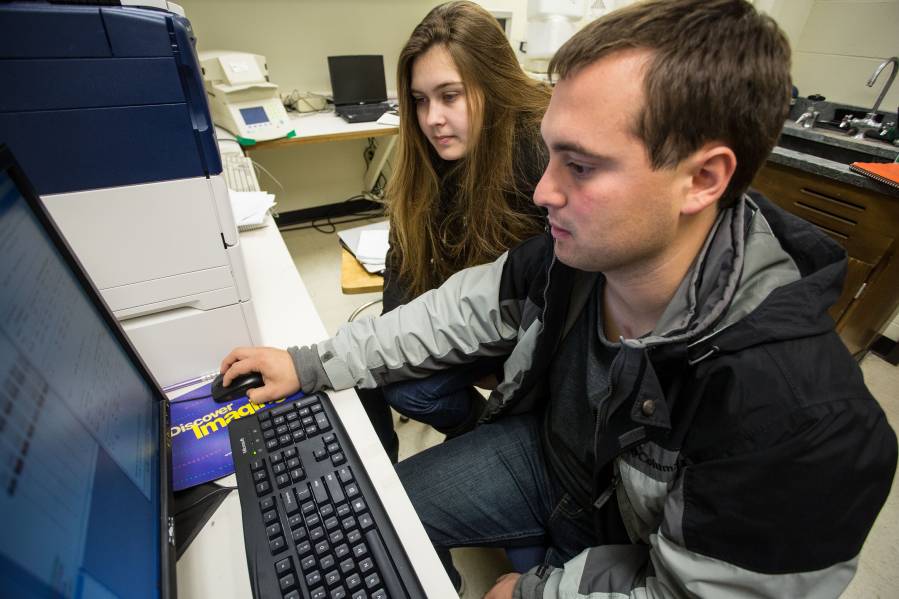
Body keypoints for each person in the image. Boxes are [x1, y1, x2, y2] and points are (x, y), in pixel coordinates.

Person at [220, 1, 898, 597]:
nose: (542, 191)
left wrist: (535, 591)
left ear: (702, 179)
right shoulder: (583, 253)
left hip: (636, 540)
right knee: (370, 521)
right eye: (548, 157)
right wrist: (311, 361)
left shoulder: (804, 423)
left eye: (578, 165)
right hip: (549, 459)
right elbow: (458, 308)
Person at [357, 0, 551, 462]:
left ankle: (494, 440)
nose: (431, 120)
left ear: (492, 83)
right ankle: (476, 434)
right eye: (421, 100)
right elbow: (401, 260)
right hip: (466, 314)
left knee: (410, 389)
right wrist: (395, 337)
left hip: (523, 330)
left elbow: (561, 294)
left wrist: (508, 373)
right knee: (381, 375)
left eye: (450, 95)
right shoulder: (432, 155)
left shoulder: (540, 152)